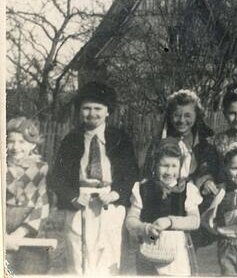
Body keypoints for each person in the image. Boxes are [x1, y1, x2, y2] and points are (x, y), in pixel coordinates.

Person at [50, 81, 140, 275]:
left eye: (98, 108)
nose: (92, 113)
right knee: (78, 255)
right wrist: (72, 196)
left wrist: (117, 193)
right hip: (79, 202)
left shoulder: (119, 139)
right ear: (79, 111)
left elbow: (131, 172)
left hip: (110, 201)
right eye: (86, 108)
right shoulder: (71, 140)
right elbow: (56, 177)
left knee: (109, 255)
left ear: (108, 111)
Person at [142, 89, 218, 248]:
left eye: (188, 115)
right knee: (157, 249)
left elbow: (207, 170)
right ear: (169, 116)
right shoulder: (159, 144)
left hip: (190, 207)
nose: (182, 120)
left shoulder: (204, 147)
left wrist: (206, 181)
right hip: (163, 204)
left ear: (196, 116)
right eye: (177, 115)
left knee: (186, 255)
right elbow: (148, 171)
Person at [125, 139, 203, 275]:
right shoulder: (143, 188)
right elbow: (130, 220)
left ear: (180, 167)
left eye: (174, 166)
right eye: (164, 165)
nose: (169, 171)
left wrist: (170, 221)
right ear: (155, 165)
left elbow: (195, 221)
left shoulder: (187, 190)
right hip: (150, 246)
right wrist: (145, 228)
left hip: (178, 249)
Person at [5, 117, 50, 275]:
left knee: (31, 270)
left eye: (22, 142)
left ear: (33, 144)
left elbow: (42, 204)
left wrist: (20, 233)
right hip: (3, 229)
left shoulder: (41, 169)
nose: (15, 147)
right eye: (10, 141)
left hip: (30, 231)